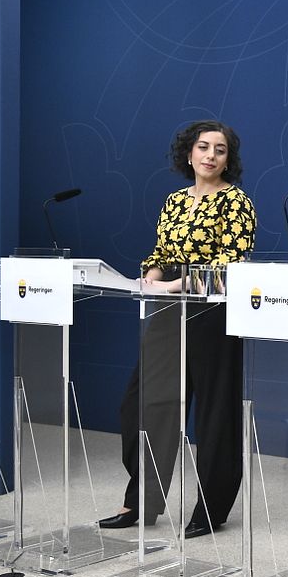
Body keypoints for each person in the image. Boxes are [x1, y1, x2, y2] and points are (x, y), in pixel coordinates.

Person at [99, 120, 256, 539]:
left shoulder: (235, 201)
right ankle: (141, 500)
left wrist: (174, 284)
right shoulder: (174, 201)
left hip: (213, 311)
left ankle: (211, 508)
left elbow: (232, 264)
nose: (210, 155)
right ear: (189, 154)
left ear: (228, 159)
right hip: (169, 309)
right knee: (143, 405)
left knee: (214, 412)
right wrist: (150, 277)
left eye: (220, 149)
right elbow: (161, 251)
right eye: (203, 147)